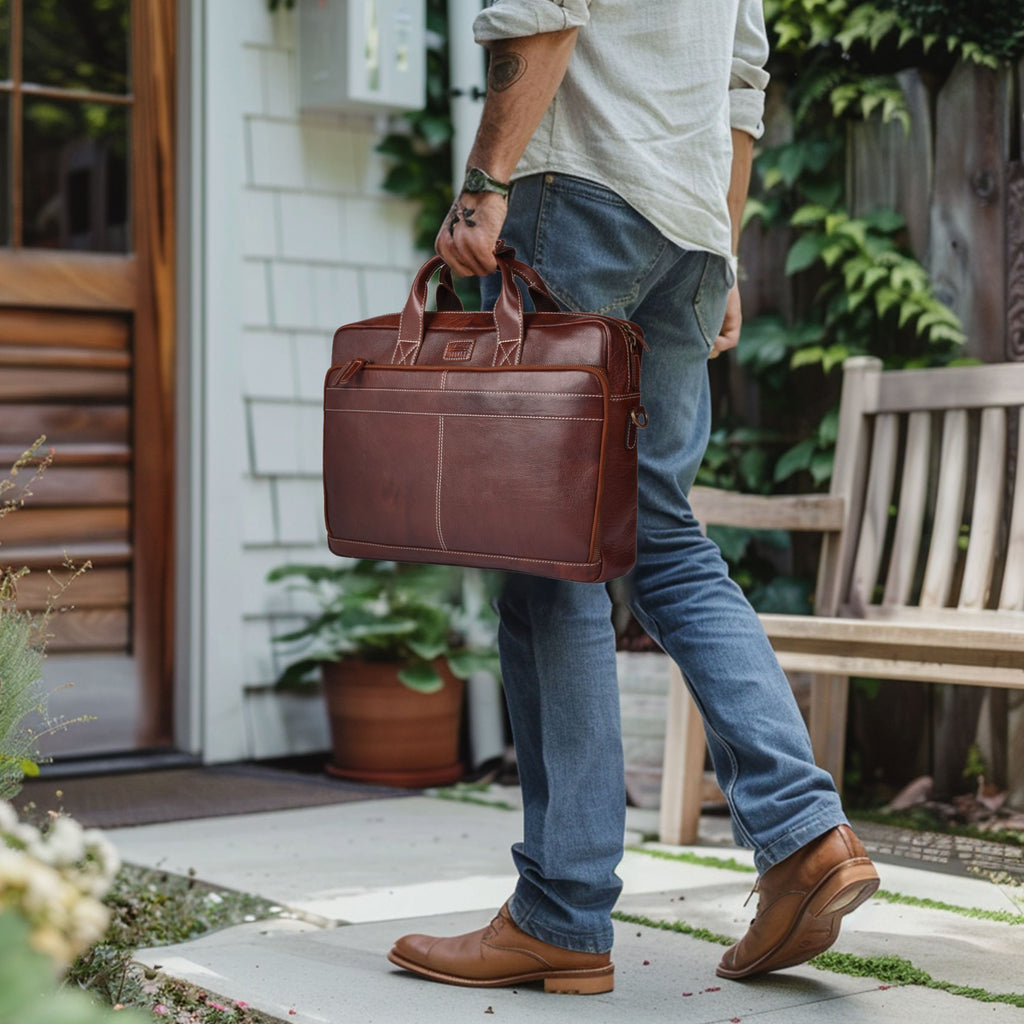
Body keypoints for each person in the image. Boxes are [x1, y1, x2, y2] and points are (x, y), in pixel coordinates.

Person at [387, 0, 879, 995]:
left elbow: (541, 16)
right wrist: (725, 247)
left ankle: (560, 913)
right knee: (661, 536)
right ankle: (802, 834)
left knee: (550, 547)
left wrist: (483, 184)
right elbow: (742, 78)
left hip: (577, 200)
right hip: (688, 230)